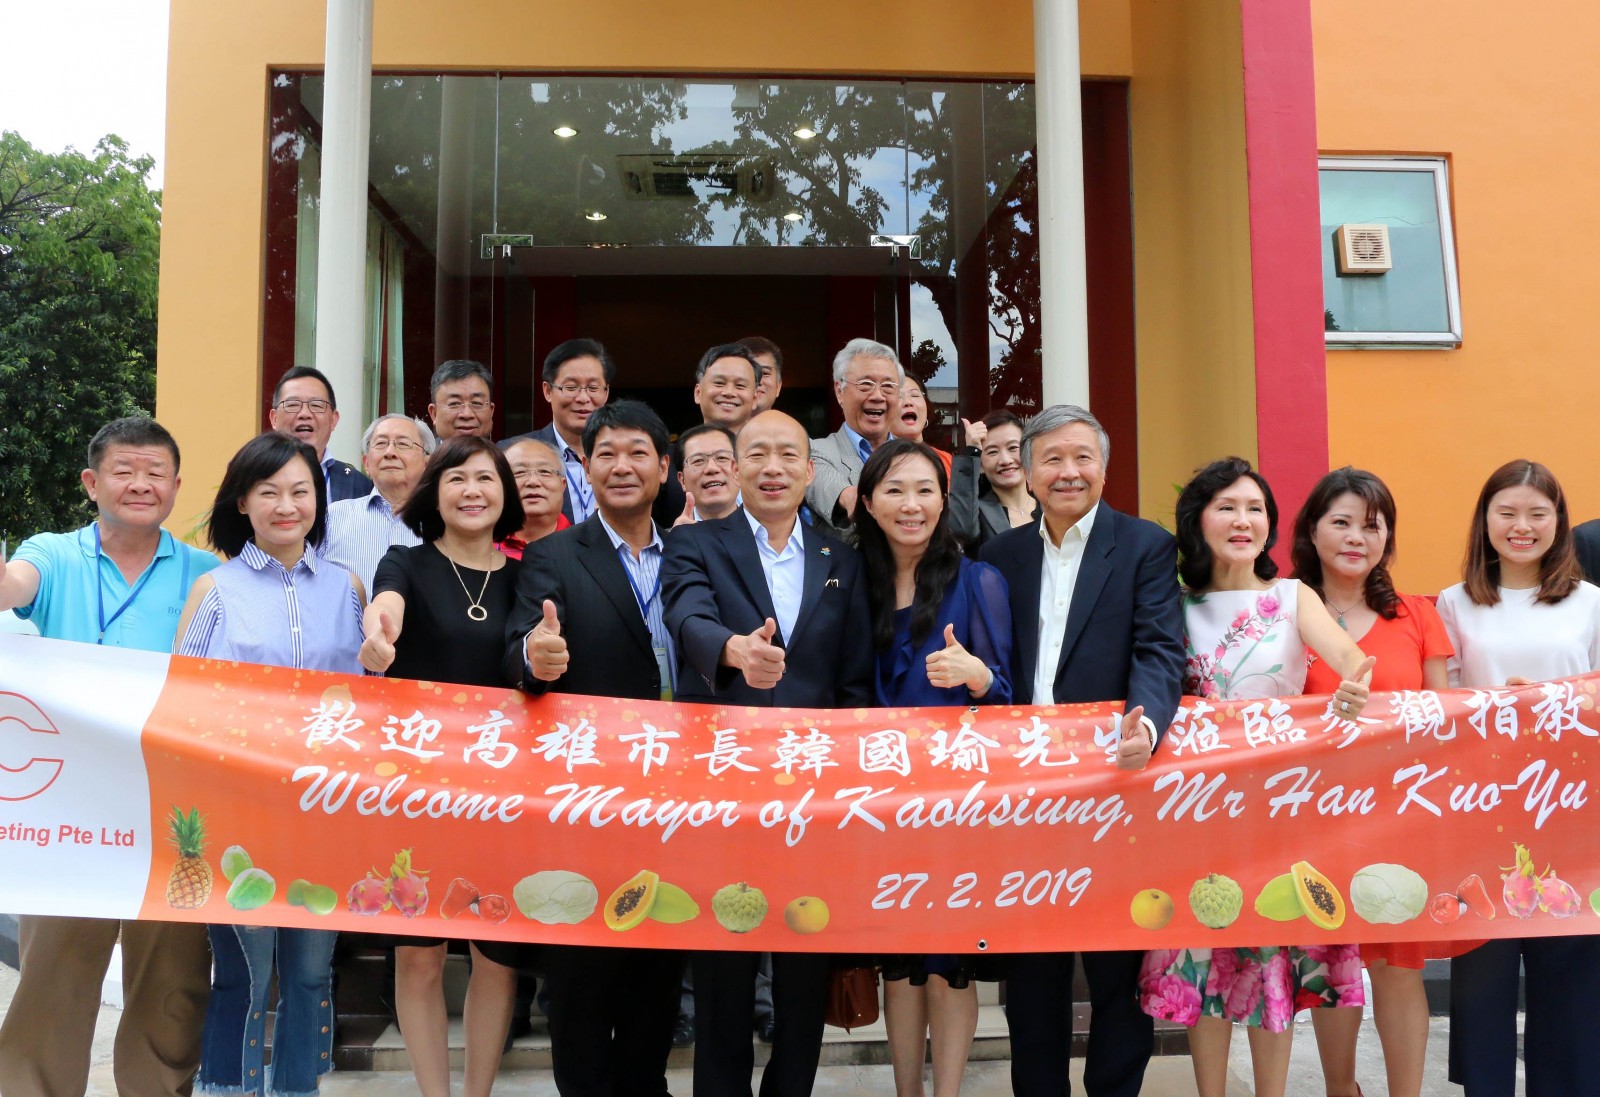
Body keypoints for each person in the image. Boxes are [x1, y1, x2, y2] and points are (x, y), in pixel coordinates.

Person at [1138, 456, 1374, 1097]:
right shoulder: (1172, 603)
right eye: (1227, 508)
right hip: (1194, 810)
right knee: (1201, 960)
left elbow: (1350, 659)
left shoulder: (1293, 596)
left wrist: (1353, 688)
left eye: (1255, 509)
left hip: (1278, 808)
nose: (1243, 521)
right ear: (1198, 520)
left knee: (1273, 959)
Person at [0, 417, 219, 1097]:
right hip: (72, 803)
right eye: (124, 471)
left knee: (172, 978)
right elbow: (13, 585)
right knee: (54, 970)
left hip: (172, 803)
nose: (141, 484)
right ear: (92, 483)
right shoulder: (53, 554)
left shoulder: (208, 574)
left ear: (176, 486)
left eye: (156, 473)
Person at [663, 409, 875, 1097]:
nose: (773, 467)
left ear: (811, 471)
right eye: (757, 453)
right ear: (735, 467)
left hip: (815, 795)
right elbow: (686, 615)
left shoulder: (842, 559)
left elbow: (853, 682)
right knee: (724, 963)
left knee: (803, 967)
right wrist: (733, 650)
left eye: (789, 454)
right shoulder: (696, 544)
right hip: (724, 786)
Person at [977, 404, 1184, 1097]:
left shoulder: (1145, 545)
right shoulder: (1000, 556)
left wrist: (1146, 724)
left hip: (1114, 788)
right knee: (1032, 972)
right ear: (1027, 471)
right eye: (1053, 459)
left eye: (1082, 457)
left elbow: (1159, 650)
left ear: (1104, 467)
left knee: (1117, 968)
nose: (1069, 472)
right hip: (1025, 796)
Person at [175, 431, 364, 1097]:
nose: (287, 506)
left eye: (300, 491)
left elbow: (371, 699)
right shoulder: (214, 589)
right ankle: (227, 1087)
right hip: (239, 811)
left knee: (310, 973)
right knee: (243, 973)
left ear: (319, 499)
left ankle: (295, 1087)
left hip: (326, 808)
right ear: (243, 502)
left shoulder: (348, 589)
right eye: (269, 492)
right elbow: (184, 703)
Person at [502, 399, 682, 1097]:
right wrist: (536, 656)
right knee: (580, 972)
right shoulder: (554, 554)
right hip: (586, 796)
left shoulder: (694, 550)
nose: (622, 466)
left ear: (664, 466)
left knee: (657, 965)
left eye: (638, 453)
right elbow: (521, 645)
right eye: (606, 453)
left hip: (678, 794)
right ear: (585, 467)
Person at [358, 435, 531, 1097]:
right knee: (420, 958)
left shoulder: (527, 575)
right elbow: (387, 606)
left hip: (503, 792)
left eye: (485, 478)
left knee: (496, 957)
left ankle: (478, 1091)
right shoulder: (406, 561)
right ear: (435, 491)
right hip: (419, 788)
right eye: (456, 478)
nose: (472, 490)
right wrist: (378, 635)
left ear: (504, 493)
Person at [851, 438, 1012, 1097]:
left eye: (924, 490)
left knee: (948, 965)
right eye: (894, 490)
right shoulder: (849, 582)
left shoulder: (978, 581)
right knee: (898, 963)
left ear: (945, 501)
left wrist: (977, 675)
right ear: (868, 502)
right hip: (875, 806)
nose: (910, 504)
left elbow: (1010, 701)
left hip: (953, 810)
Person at [1436, 459, 1600, 1097]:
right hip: (1482, 808)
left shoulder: (1591, 603)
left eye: (1537, 513)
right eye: (1506, 512)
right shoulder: (1454, 603)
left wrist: (1553, 702)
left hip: (1572, 812)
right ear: (1485, 521)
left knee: (1571, 974)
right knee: (1483, 974)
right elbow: (1439, 707)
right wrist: (1495, 709)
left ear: (1559, 522)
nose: (1521, 526)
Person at [1290, 467, 1452, 1097]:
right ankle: (1342, 1090)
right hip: (1312, 819)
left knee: (1397, 968)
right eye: (1342, 522)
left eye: (1373, 525)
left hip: (1400, 819)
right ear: (1312, 530)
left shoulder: (1416, 615)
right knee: (1335, 966)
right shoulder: (1283, 613)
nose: (1357, 537)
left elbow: (1447, 721)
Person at [503, 338, 614, 524]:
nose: (583, 397)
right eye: (571, 387)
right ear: (547, 391)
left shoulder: (626, 459)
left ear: (606, 392)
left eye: (593, 388)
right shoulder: (510, 453)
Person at [323, 413, 436, 589]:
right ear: (366, 463)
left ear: (427, 464)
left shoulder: (443, 522)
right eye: (381, 443)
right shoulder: (333, 517)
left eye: (403, 444)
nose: (390, 453)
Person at [807, 338, 903, 530]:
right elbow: (837, 491)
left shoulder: (914, 456)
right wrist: (851, 498)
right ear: (839, 391)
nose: (877, 396)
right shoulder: (814, 451)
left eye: (888, 386)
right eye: (866, 384)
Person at [269, 364, 373, 501]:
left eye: (316, 405)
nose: (304, 414)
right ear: (274, 419)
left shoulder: (358, 485)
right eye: (293, 405)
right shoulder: (251, 476)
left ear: (333, 420)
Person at [967, 409, 1037, 551]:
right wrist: (971, 453)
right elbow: (959, 529)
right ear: (980, 465)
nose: (1005, 460)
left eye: (1013, 448)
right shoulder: (975, 516)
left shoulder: (1050, 506)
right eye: (993, 452)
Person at [499, 437, 570, 557]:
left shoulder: (584, 545)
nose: (533, 481)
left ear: (563, 485)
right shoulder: (481, 544)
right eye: (520, 472)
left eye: (544, 471)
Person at [673, 422, 741, 525]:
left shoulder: (766, 529)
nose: (711, 468)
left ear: (739, 470)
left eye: (722, 457)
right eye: (698, 461)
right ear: (682, 480)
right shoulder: (675, 534)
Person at [888, 376, 953, 477]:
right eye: (898, 396)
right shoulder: (873, 460)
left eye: (915, 395)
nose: (908, 402)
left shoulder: (946, 461)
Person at [427, 358, 496, 440]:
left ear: (491, 411)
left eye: (476, 403)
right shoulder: (420, 448)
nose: (467, 414)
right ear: (434, 414)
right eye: (454, 403)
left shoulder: (505, 449)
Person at [740, 334, 784, 414]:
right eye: (748, 371)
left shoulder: (787, 422)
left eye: (765, 373)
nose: (757, 381)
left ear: (778, 386)